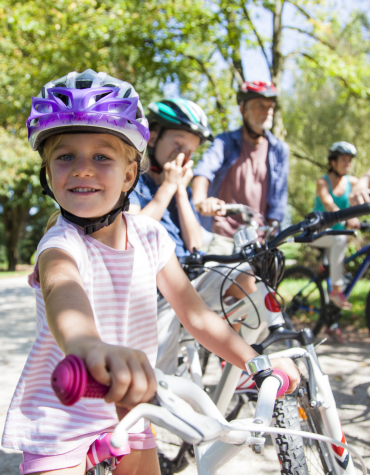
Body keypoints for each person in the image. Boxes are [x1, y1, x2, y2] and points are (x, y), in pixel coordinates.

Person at [2, 70, 300, 475]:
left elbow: (196, 316)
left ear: (129, 174)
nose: (83, 169)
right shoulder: (60, 245)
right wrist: (89, 348)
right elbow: (63, 291)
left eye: (101, 156)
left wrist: (255, 362)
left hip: (133, 405)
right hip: (62, 416)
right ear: (48, 173)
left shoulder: (149, 235)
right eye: (65, 155)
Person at [129, 99, 260, 374]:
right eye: (178, 146)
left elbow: (195, 244)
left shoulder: (179, 188)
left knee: (245, 275)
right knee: (156, 381)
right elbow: (134, 230)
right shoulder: (135, 181)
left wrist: (179, 192)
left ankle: (236, 368)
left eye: (190, 151)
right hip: (154, 291)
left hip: (187, 279)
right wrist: (167, 187)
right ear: (152, 137)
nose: (184, 156)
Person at [192, 80, 289, 255]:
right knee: (213, 277)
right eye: (260, 105)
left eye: (271, 106)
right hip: (225, 234)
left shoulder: (278, 150)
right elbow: (204, 170)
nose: (268, 111)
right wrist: (200, 200)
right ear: (243, 109)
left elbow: (279, 200)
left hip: (259, 238)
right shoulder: (225, 142)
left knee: (262, 282)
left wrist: (271, 236)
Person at [311, 141, 359, 309]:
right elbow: (328, 203)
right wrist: (346, 218)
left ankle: (332, 318)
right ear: (333, 162)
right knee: (340, 239)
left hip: (335, 236)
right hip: (316, 233)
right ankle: (336, 290)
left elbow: (363, 190)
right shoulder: (322, 182)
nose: (348, 164)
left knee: (340, 242)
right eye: (344, 160)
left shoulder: (351, 182)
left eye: (350, 160)